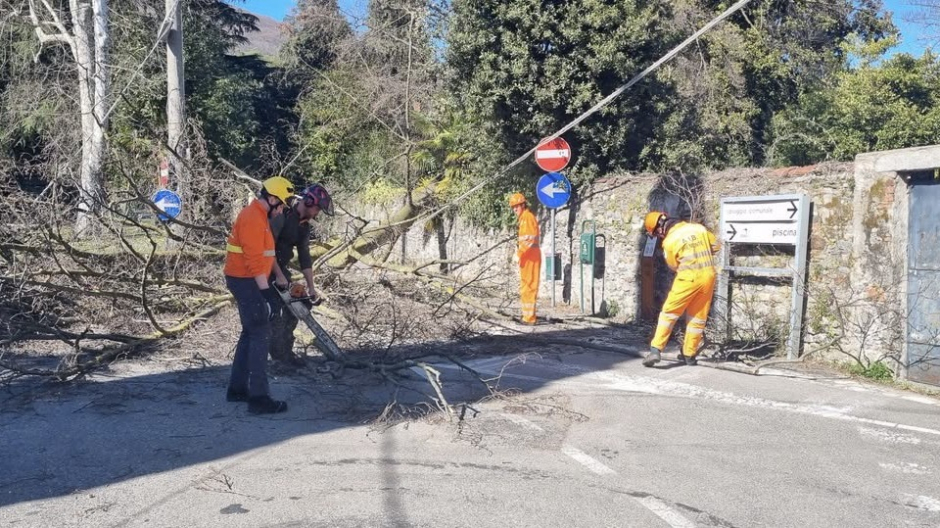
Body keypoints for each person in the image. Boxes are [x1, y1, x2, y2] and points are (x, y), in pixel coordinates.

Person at [223, 176, 295, 414]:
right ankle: (259, 398)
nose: (284, 208)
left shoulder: (259, 216)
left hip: (246, 279)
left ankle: (237, 389)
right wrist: (266, 294)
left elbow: (264, 255)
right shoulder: (252, 218)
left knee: (250, 331)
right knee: (260, 333)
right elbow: (254, 261)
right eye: (283, 203)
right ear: (272, 198)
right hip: (246, 280)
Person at [642, 211, 720, 367]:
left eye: (657, 235)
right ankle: (689, 356)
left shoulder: (669, 241)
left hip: (688, 278)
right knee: (697, 318)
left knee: (669, 313)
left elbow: (673, 265)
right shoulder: (698, 228)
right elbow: (716, 246)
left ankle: (656, 350)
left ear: (659, 229)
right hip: (708, 277)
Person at [268, 183, 334, 365]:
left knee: (301, 301)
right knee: (275, 309)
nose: (317, 213)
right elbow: (266, 247)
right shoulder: (282, 215)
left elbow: (304, 256)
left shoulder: (304, 226)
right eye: (317, 209)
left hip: (279, 268)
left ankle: (285, 351)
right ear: (308, 202)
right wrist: (278, 275)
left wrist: (311, 287)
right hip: (264, 268)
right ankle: (277, 354)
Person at [509, 193, 540, 325]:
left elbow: (529, 238)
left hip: (530, 257)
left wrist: (519, 253)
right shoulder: (524, 218)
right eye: (513, 207)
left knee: (529, 286)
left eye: (516, 206)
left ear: (523, 205)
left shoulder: (527, 217)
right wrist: (519, 253)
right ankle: (526, 316)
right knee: (525, 286)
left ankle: (529, 318)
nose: (515, 209)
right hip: (528, 256)